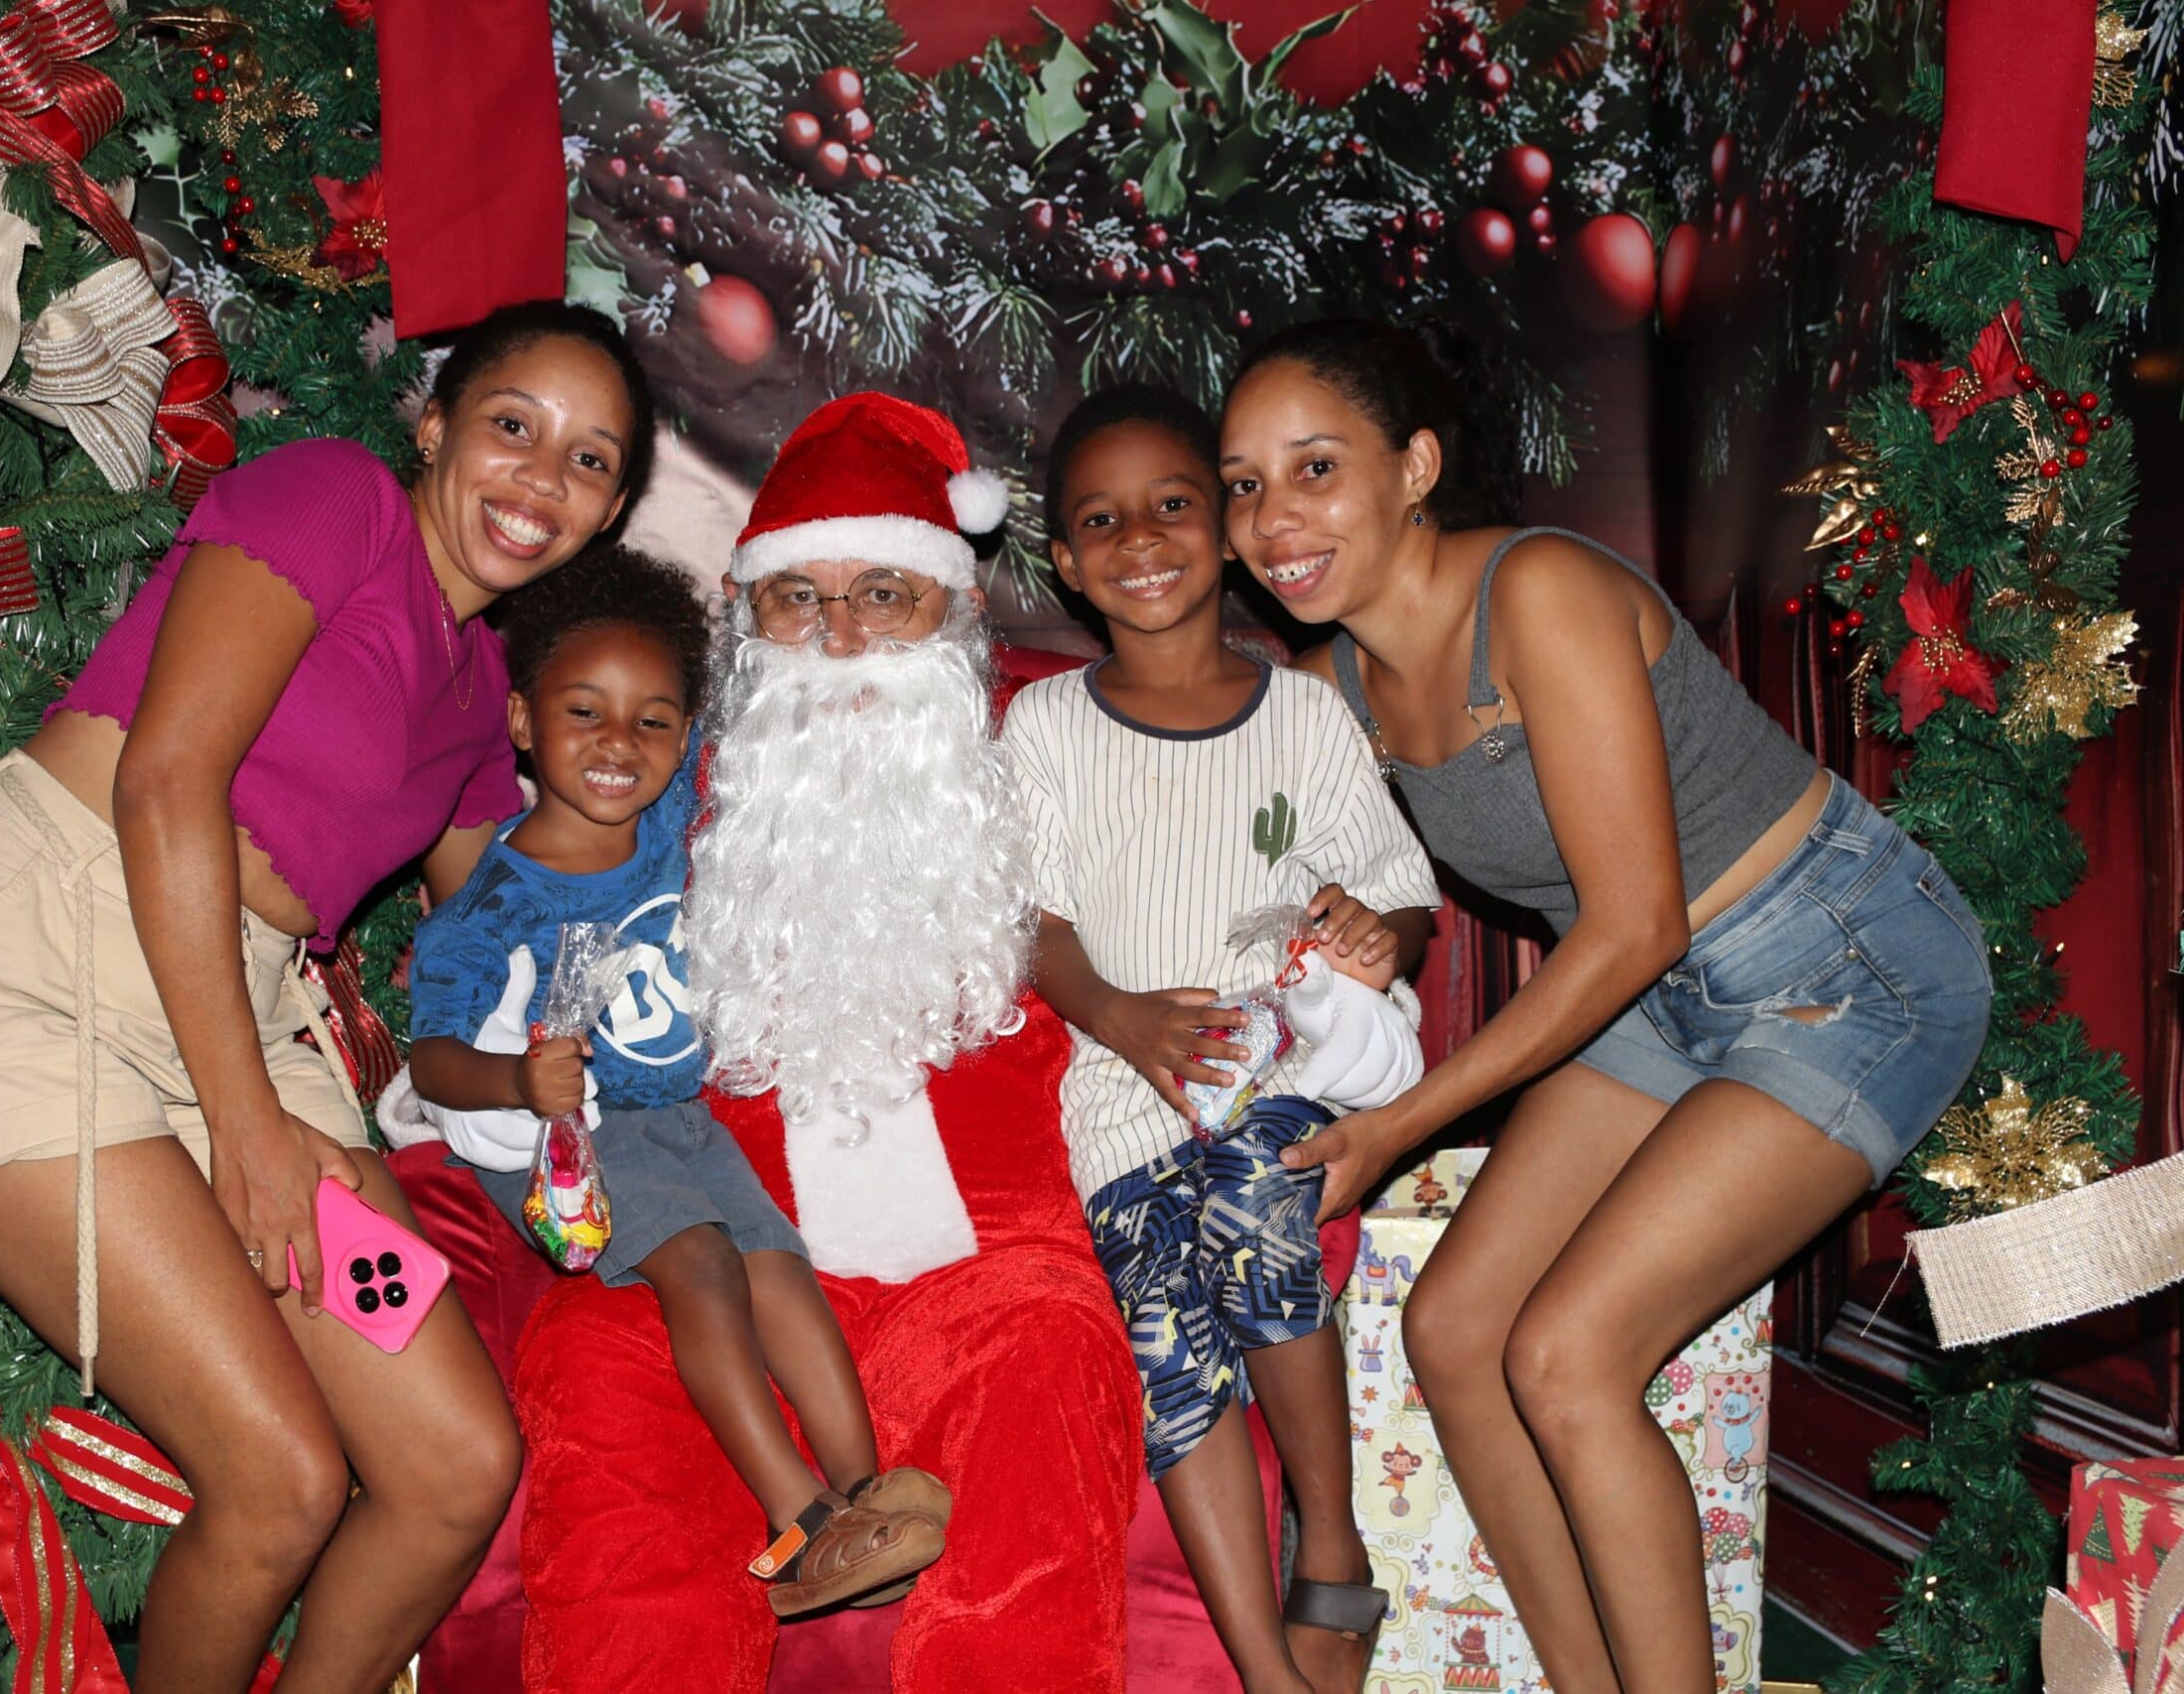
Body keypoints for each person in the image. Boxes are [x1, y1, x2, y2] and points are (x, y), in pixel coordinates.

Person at [0, 301, 654, 1693]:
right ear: (434, 427)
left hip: (243, 1008)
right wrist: (248, 1129)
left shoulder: (480, 693)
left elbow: (507, 922)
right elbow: (168, 780)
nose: (541, 479)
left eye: (590, 460)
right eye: (513, 426)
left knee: (454, 1467)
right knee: (279, 1480)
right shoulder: (336, 498)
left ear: (615, 507)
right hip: (40, 956)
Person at [1218, 317, 1992, 1692]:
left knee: (1569, 1355)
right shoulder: (1333, 684)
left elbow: (1633, 921)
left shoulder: (1539, 590)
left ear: (1415, 467)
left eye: (1315, 468)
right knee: (1455, 1331)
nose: (1274, 518)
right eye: (1243, 485)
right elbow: (1365, 893)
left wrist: (1395, 1124)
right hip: (1659, 997)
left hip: (1842, 966)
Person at [503, 393, 1144, 1690]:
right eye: (798, 598)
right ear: (747, 620)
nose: (842, 636)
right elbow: (530, 932)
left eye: (885, 595)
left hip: (986, 1268)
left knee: (1049, 1355)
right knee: (594, 1354)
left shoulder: (1047, 768)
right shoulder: (666, 791)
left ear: (955, 610)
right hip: (744, 1263)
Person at [399, 545, 949, 1617]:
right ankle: (798, 1528)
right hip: (574, 1142)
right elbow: (431, 1058)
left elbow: (762, 708)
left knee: (779, 1266)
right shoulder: (491, 907)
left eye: (652, 721)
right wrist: (516, 1078)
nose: (620, 743)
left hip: (679, 1116)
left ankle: (863, 1491)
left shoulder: (661, 822)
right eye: (584, 713)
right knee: (700, 1264)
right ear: (522, 721)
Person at [1005, 385, 1439, 1694]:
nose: (1140, 538)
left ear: (1226, 529)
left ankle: (1332, 1538)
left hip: (1286, 1066)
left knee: (1251, 1190)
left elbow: (1399, 893)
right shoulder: (1045, 725)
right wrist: (1122, 1017)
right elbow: (1033, 923)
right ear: (1066, 561)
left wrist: (1374, 931)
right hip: (1122, 1091)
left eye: (1174, 505)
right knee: (1164, 1327)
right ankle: (1266, 1668)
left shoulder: (1302, 712)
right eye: (1102, 521)